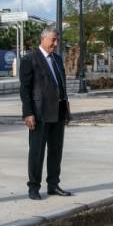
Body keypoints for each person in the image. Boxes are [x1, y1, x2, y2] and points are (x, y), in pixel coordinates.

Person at [20, 28, 74, 199]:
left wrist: (66, 111)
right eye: (53, 40)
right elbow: (24, 89)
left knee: (56, 151)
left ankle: (53, 185)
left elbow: (62, 87)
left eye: (57, 40)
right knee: (37, 152)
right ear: (43, 39)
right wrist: (28, 113)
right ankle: (34, 188)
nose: (56, 44)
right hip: (39, 113)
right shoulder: (30, 59)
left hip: (58, 111)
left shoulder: (57, 59)